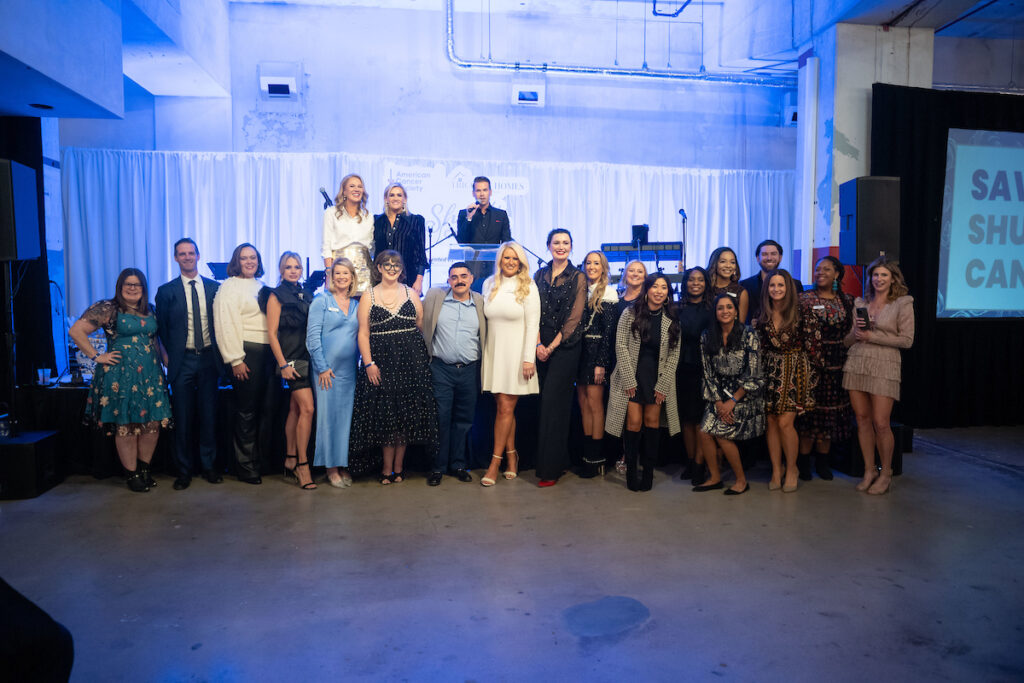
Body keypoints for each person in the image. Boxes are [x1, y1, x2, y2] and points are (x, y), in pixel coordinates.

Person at [70, 268, 172, 492]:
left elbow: (156, 341)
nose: (132, 288)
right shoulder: (108, 308)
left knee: (152, 424)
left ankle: (144, 469)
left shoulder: (151, 310)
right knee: (125, 425)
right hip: (120, 376)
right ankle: (132, 473)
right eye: (128, 284)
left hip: (150, 375)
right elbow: (77, 331)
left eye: (137, 284)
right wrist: (97, 356)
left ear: (143, 288)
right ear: (120, 286)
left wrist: (168, 363)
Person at [350, 250, 439, 484]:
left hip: (411, 361)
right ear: (378, 268)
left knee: (405, 416)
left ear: (401, 269)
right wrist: (369, 363)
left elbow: (421, 327)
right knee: (387, 417)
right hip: (381, 361)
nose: (391, 268)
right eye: (386, 264)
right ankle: (386, 468)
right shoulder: (368, 295)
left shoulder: (411, 293)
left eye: (396, 264)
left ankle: (399, 468)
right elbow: (363, 333)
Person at [155, 238, 223, 491]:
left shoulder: (215, 288)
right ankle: (183, 471)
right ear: (175, 258)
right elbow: (160, 328)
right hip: (181, 361)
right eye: (181, 254)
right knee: (182, 419)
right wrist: (165, 357)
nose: (187, 257)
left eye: (191, 253)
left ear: (198, 255)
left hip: (208, 359)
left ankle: (209, 467)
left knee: (208, 417)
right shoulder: (166, 291)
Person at [843, 257, 914, 495]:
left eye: (884, 275)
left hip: (885, 364)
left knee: (881, 423)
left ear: (893, 278)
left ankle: (886, 473)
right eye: (875, 275)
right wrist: (857, 331)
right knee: (862, 420)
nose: (879, 279)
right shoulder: (861, 302)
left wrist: (874, 336)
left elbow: (907, 340)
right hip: (857, 361)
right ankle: (869, 470)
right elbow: (848, 342)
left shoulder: (903, 303)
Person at [605, 273, 682, 491]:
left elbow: (674, 355)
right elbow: (620, 346)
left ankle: (647, 474)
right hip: (632, 377)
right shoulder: (630, 313)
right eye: (655, 287)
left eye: (664, 288)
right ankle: (631, 473)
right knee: (633, 424)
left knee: (652, 424)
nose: (659, 291)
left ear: (668, 293)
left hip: (656, 379)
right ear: (647, 289)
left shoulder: (672, 318)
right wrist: (629, 380)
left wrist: (663, 385)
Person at [754, 268, 821, 492]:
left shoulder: (802, 310)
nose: (776, 289)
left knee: (785, 423)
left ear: (788, 287)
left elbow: (814, 344)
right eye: (772, 285)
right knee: (771, 422)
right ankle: (776, 469)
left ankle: (792, 468)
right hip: (769, 371)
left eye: (780, 285)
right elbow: (760, 346)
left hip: (796, 370)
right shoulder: (763, 312)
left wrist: (810, 379)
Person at [480, 242, 540, 486]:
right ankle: (512, 457)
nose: (511, 262)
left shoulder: (529, 286)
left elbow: (533, 324)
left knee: (505, 408)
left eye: (515, 258)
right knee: (504, 409)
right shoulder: (488, 284)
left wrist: (529, 358)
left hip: (517, 355)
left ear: (521, 261)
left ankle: (495, 463)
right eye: (506, 258)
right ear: (500, 260)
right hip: (494, 353)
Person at [213, 243, 274, 484]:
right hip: (247, 353)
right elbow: (224, 324)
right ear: (236, 262)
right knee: (246, 412)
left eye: (253, 258)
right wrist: (235, 359)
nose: (249, 262)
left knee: (264, 410)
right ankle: (245, 466)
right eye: (244, 258)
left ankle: (260, 461)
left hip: (267, 353)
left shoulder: (261, 286)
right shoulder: (229, 287)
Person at [421, 262, 487, 486]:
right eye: (453, 277)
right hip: (441, 369)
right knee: (441, 419)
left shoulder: (480, 302)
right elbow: (418, 317)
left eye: (463, 276)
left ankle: (458, 464)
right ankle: (438, 467)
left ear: (471, 278)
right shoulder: (434, 297)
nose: (458, 280)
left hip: (470, 370)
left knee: (464, 421)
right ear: (448, 280)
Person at [695, 293, 764, 495]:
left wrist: (732, 401)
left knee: (721, 433)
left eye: (729, 307)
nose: (725, 311)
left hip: (744, 394)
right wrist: (718, 401)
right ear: (715, 313)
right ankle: (715, 477)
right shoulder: (707, 336)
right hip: (718, 394)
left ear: (736, 311)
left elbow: (754, 373)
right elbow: (707, 373)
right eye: (720, 308)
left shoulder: (749, 334)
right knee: (703, 431)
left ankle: (741, 481)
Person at [534, 229, 586, 487]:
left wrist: (550, 347)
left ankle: (550, 470)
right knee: (544, 405)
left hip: (564, 349)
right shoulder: (539, 275)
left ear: (571, 247)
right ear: (548, 245)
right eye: (556, 242)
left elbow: (574, 320)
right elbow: (532, 311)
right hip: (539, 347)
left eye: (566, 243)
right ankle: (557, 459)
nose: (561, 246)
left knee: (554, 407)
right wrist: (537, 344)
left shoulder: (579, 277)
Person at [796, 255, 854, 481]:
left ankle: (823, 463)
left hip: (838, 365)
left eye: (826, 269)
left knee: (829, 418)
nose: (820, 272)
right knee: (809, 416)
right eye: (818, 269)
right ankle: (803, 463)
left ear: (837, 274)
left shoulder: (847, 300)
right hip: (811, 365)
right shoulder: (803, 299)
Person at [264, 252, 316, 490]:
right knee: (307, 408)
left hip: (308, 357)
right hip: (291, 359)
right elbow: (272, 334)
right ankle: (303, 466)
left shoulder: (306, 294)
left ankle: (290, 457)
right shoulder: (275, 295)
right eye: (288, 267)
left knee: (295, 409)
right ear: (281, 270)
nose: (293, 270)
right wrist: (283, 364)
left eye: (296, 267)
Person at [307, 258, 360, 488]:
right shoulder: (321, 301)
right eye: (337, 273)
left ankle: (342, 463)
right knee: (328, 420)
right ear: (331, 276)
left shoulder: (357, 305)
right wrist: (322, 367)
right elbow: (312, 338)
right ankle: (330, 468)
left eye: (345, 273)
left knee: (345, 421)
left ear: (352, 278)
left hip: (349, 373)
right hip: (326, 372)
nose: (340, 277)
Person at [576, 250, 618, 478]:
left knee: (595, 404)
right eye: (588, 262)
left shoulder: (608, 292)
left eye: (596, 263)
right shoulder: (580, 289)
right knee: (582, 403)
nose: (592, 266)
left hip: (596, 353)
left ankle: (597, 458)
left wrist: (601, 362)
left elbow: (609, 331)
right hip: (580, 353)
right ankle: (586, 455)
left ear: (603, 267)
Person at [676, 266, 714, 485]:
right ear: (685, 283)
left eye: (700, 280)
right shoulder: (676, 308)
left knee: (702, 420)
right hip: (683, 368)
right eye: (691, 280)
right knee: (687, 420)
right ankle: (691, 462)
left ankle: (701, 463)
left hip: (706, 369)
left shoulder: (713, 307)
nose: (696, 283)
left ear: (706, 283)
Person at [609, 259, 647, 475]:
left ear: (645, 275)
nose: (635, 274)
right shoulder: (618, 300)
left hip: (644, 363)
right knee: (624, 412)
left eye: (639, 271)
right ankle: (627, 454)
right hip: (621, 362)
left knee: (642, 412)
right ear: (625, 275)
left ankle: (642, 454)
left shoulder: (650, 299)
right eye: (631, 270)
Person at [322, 174, 374, 294]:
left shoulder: (368, 216)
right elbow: (326, 246)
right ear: (344, 191)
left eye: (360, 187)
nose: (356, 189)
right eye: (352, 186)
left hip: (364, 273)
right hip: (340, 272)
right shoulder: (331, 213)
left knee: (363, 310)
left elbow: (371, 248)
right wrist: (329, 272)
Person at [374, 182, 427, 296]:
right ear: (386, 199)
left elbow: (421, 255)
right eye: (392, 195)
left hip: (408, 278)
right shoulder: (377, 221)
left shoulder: (416, 220)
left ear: (405, 199)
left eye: (399, 195)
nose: (395, 198)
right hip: (381, 279)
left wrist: (419, 280)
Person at [739, 239, 803, 324]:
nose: (769, 258)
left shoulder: (795, 284)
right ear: (758, 258)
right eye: (765, 254)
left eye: (773, 254)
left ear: (780, 258)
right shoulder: (745, 285)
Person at [456, 176, 511, 244]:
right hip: (472, 254)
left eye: (485, 190)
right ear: (473, 193)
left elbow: (506, 242)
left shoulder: (501, 215)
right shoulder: (464, 214)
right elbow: (461, 241)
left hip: (494, 254)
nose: (482, 194)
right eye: (478, 191)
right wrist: (469, 218)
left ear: (490, 192)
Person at [707, 247, 749, 326]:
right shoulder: (705, 288)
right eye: (723, 261)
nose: (728, 266)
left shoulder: (741, 292)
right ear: (715, 264)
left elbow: (740, 326)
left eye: (732, 262)